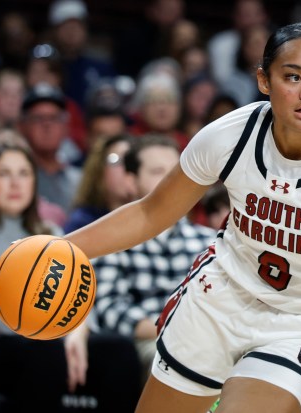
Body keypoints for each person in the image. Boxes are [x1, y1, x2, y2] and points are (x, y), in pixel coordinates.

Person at [63, 22, 301, 413]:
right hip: (220, 297)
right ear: (263, 79)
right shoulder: (229, 136)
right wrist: (62, 246)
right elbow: (150, 213)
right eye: (293, 76)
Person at [0, 132, 141, 412]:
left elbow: (78, 291)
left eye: (24, 173)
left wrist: (77, 332)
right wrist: (56, 331)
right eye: (4, 173)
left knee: (118, 350)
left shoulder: (49, 233)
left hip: (45, 342)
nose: (15, 183)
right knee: (43, 352)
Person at [92, 134, 215, 375]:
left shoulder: (209, 240)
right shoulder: (111, 241)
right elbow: (108, 308)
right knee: (170, 362)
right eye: (158, 171)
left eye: (175, 172)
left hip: (209, 343)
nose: (171, 181)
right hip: (149, 344)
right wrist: (170, 330)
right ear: (130, 181)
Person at [18, 83, 83, 213]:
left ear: (65, 127)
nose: (47, 125)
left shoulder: (80, 181)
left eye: (54, 118)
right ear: (23, 126)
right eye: (38, 118)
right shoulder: (13, 179)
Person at [63, 134, 136, 233]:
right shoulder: (82, 223)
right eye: (116, 160)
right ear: (99, 170)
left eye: (132, 161)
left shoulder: (155, 218)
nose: (127, 169)